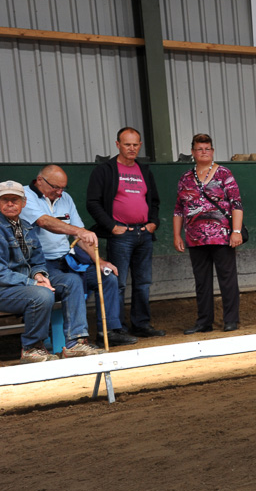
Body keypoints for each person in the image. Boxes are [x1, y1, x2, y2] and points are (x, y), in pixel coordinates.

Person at [20, 165, 137, 347]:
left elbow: (80, 234)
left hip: (66, 260)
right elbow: (44, 221)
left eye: (63, 188)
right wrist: (78, 231)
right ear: (40, 180)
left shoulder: (65, 198)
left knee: (107, 277)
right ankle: (76, 341)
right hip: (40, 266)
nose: (60, 192)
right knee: (71, 281)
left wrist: (98, 261)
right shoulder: (24, 197)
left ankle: (108, 331)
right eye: (55, 187)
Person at [0, 181, 103, 362]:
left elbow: (38, 260)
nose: (10, 204)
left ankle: (75, 343)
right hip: (5, 289)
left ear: (23, 203)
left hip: (26, 284)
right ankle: (32, 348)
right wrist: (33, 283)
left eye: (14, 200)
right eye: (4, 200)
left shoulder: (27, 227)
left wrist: (40, 275)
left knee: (72, 281)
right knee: (41, 294)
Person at [86, 127, 165, 338]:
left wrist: (153, 223)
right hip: (120, 236)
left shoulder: (145, 170)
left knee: (143, 283)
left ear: (140, 145)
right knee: (118, 283)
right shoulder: (105, 170)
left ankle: (141, 325)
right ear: (118, 144)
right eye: (127, 144)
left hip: (144, 234)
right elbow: (93, 203)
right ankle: (117, 328)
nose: (132, 148)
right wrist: (111, 226)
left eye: (135, 144)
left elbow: (155, 201)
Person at [172, 134, 244, 334]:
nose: (204, 152)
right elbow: (179, 209)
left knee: (227, 279)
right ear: (193, 152)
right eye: (199, 149)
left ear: (212, 151)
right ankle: (204, 321)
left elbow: (236, 204)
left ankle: (231, 320)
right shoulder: (186, 178)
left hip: (222, 236)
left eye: (207, 148)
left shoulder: (224, 173)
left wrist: (236, 231)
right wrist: (177, 235)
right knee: (202, 281)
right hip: (195, 238)